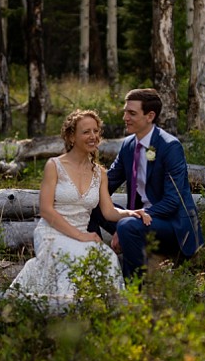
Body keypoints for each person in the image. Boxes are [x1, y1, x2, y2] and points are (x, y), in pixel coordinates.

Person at [8, 108, 144, 303]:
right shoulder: (54, 165)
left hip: (84, 236)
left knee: (107, 258)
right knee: (75, 257)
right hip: (52, 233)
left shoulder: (100, 173)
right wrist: (81, 236)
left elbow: (109, 211)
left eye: (96, 131)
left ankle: (100, 312)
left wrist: (132, 213)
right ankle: (62, 310)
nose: (93, 136)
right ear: (71, 136)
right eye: (86, 132)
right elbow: (46, 210)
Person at [92, 88, 203, 281]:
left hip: (171, 225)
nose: (125, 117)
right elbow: (107, 184)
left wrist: (127, 220)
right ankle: (97, 263)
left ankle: (135, 288)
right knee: (92, 204)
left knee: (126, 226)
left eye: (132, 113)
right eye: (125, 111)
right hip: (139, 220)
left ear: (150, 115)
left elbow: (172, 202)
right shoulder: (128, 145)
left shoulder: (170, 146)